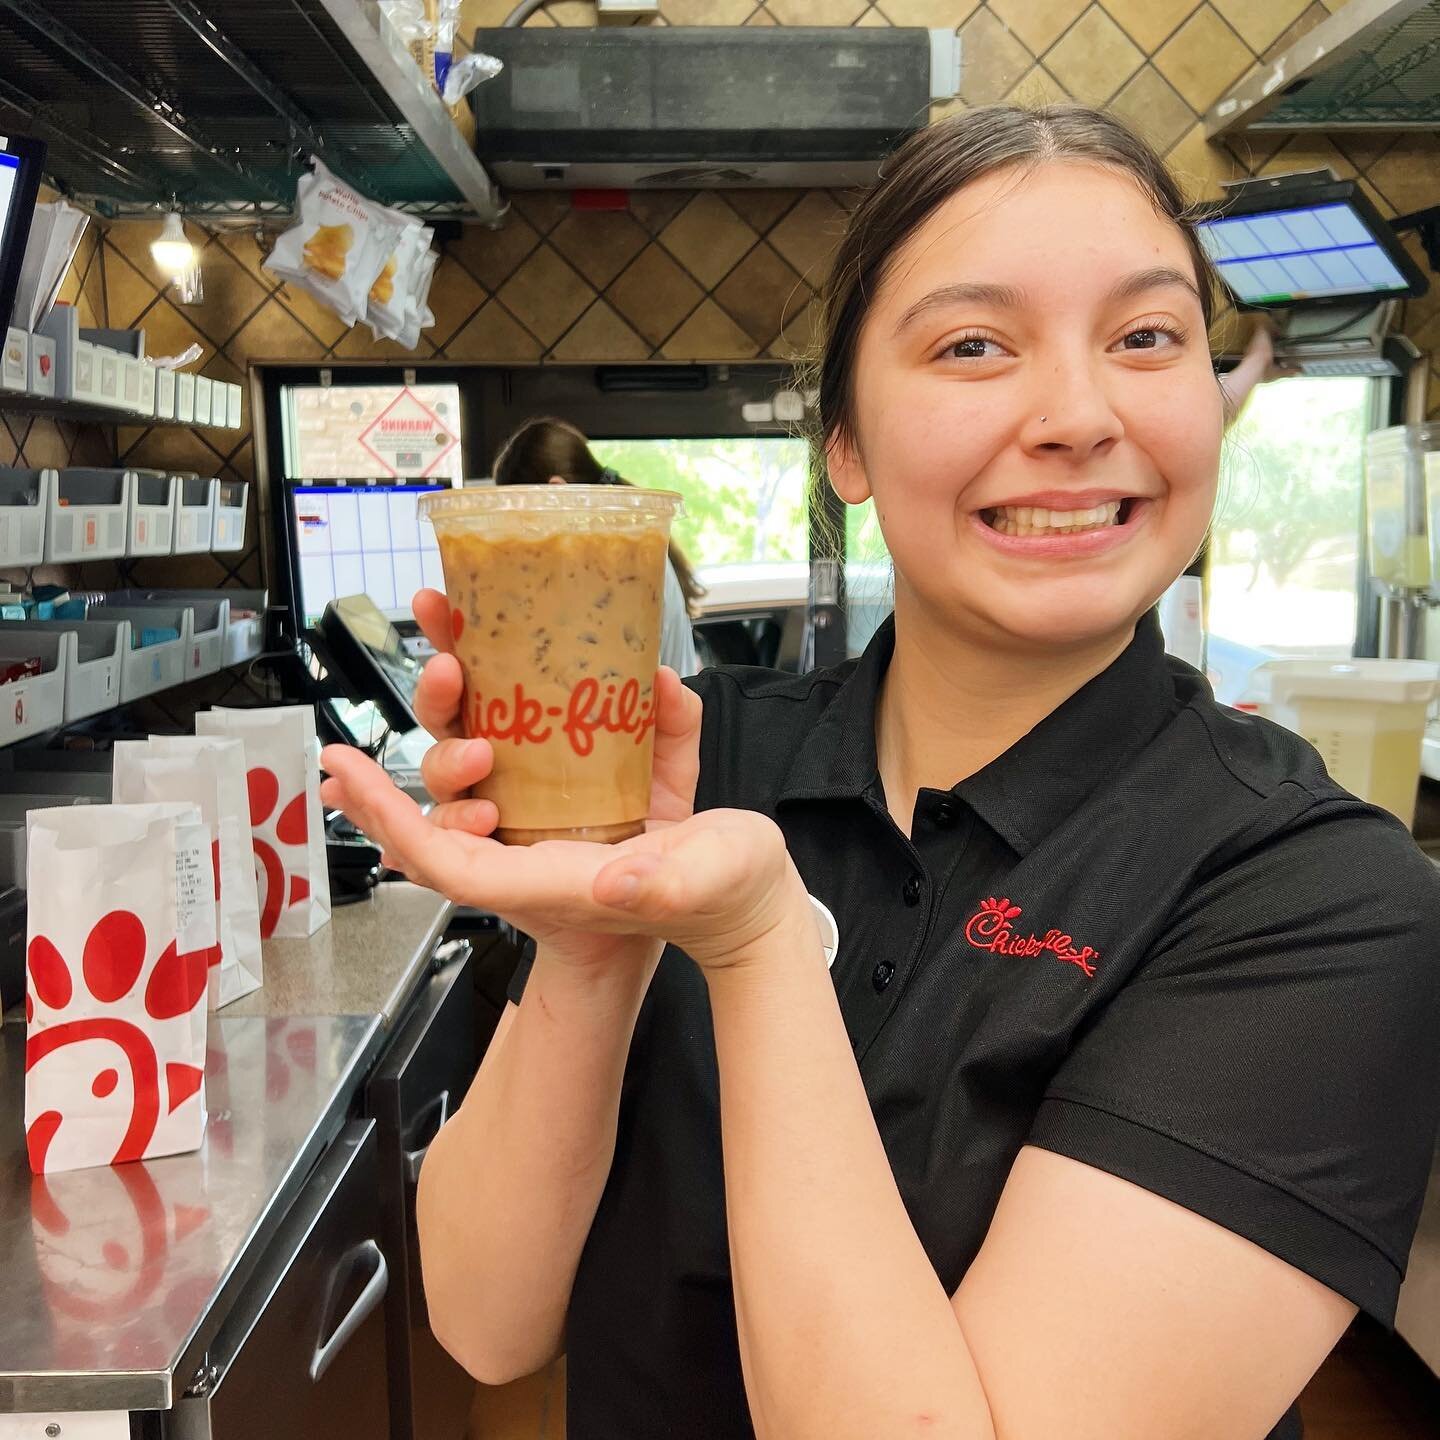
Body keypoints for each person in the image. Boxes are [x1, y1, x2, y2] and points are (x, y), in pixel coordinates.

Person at [320, 105, 1440, 1440]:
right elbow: (488, 1322)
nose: (1080, 416)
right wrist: (594, 944)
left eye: (1147, 337)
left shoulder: (1316, 901)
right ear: (844, 444)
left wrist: (752, 947)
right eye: (974, 344)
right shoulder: (695, 760)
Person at [492, 416, 704, 677]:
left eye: (521, 516)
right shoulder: (638, 547)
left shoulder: (616, 569)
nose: (519, 534)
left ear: (556, 493)